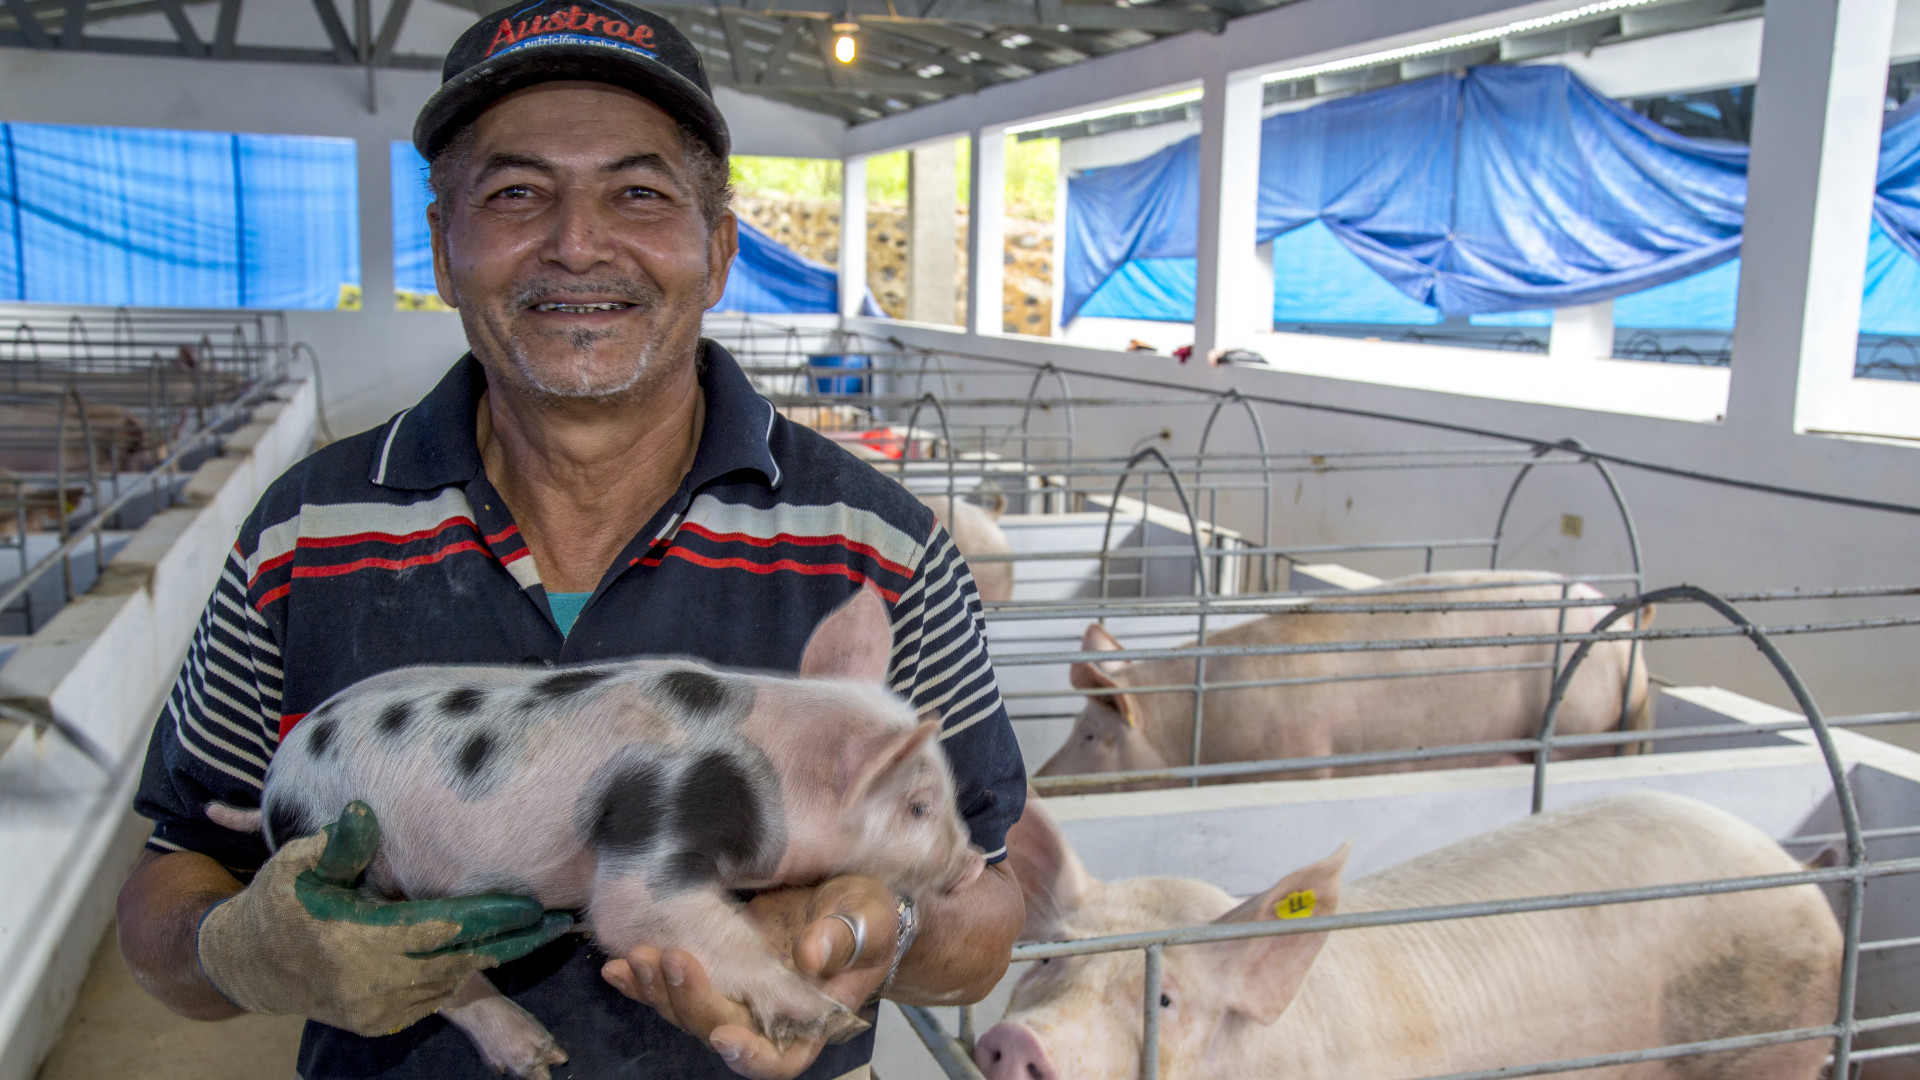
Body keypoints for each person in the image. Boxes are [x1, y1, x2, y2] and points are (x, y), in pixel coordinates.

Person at [113, 4, 1028, 1077]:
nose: (578, 244)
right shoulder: (306, 529)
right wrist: (237, 950)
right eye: (516, 194)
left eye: (639, 194)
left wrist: (877, 926)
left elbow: (987, 912)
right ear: (444, 249)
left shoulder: (883, 547)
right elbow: (174, 877)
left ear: (717, 250)